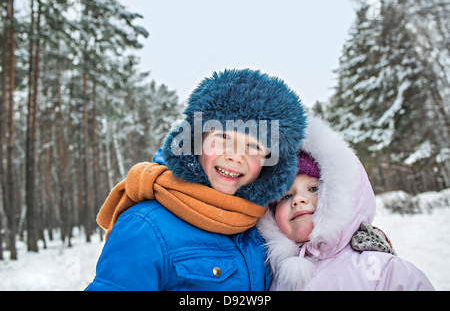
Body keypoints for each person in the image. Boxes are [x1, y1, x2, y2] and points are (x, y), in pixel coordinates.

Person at [85, 69, 307, 290]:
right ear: (196, 141)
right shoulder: (145, 227)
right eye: (222, 137)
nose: (235, 155)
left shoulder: (263, 232)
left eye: (254, 146)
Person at [257, 116, 435, 291]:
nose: (298, 200)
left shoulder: (383, 271)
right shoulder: (274, 278)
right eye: (286, 197)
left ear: (338, 195)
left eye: (313, 189)